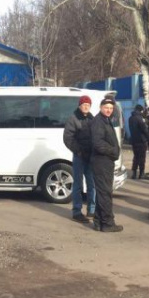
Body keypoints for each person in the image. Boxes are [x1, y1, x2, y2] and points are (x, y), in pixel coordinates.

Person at [90, 98, 123, 232]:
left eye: (110, 108)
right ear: (100, 107)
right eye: (106, 107)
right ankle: (108, 223)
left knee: (102, 192)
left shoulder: (106, 120)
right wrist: (113, 151)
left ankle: (98, 221)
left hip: (106, 161)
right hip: (101, 161)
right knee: (105, 193)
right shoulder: (98, 122)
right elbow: (98, 144)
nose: (109, 110)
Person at [62, 95, 96, 223]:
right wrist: (78, 151)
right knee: (78, 184)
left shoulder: (93, 119)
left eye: (88, 105)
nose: (86, 107)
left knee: (92, 184)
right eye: (84, 105)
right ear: (79, 105)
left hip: (91, 157)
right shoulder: (73, 118)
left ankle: (92, 210)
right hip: (79, 156)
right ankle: (77, 211)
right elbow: (68, 138)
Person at [128, 105, 149, 179]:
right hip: (141, 140)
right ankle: (141, 173)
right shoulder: (140, 118)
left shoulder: (130, 118)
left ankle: (134, 173)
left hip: (134, 140)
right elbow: (144, 129)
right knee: (142, 157)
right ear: (141, 110)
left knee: (136, 157)